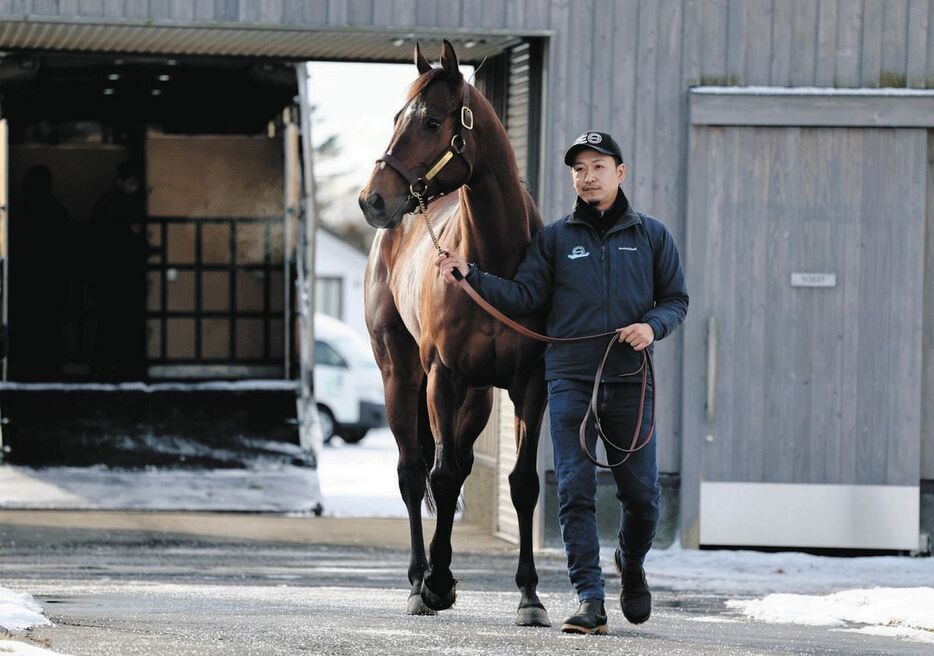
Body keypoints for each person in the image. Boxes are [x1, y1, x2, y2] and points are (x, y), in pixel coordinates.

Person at [436, 131, 688, 634]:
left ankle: (631, 564)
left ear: (620, 172)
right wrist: (470, 275)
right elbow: (525, 295)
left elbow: (676, 299)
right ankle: (589, 599)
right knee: (573, 491)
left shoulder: (653, 236)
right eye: (579, 169)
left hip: (631, 379)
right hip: (570, 379)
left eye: (598, 167)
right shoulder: (554, 239)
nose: (587, 177)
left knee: (642, 496)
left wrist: (651, 326)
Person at [89, 160, 148, 381]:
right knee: (121, 322)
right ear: (120, 182)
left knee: (110, 322)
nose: (135, 187)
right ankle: (124, 368)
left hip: (110, 274)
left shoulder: (106, 204)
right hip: (121, 274)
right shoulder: (134, 205)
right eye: (131, 183)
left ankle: (105, 368)